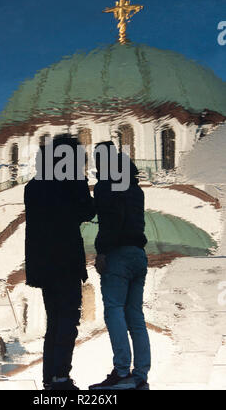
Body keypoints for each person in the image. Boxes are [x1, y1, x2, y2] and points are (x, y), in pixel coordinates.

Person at [24, 135, 95, 390]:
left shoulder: (33, 186)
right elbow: (87, 210)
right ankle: (61, 377)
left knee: (54, 322)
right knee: (67, 320)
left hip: (42, 265)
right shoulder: (69, 181)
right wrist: (81, 180)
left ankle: (51, 378)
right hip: (65, 261)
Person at [89, 141, 151, 391]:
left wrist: (102, 251)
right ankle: (140, 375)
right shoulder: (135, 188)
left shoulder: (108, 184)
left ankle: (122, 371)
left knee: (114, 310)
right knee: (135, 316)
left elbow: (112, 220)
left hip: (119, 254)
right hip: (139, 254)